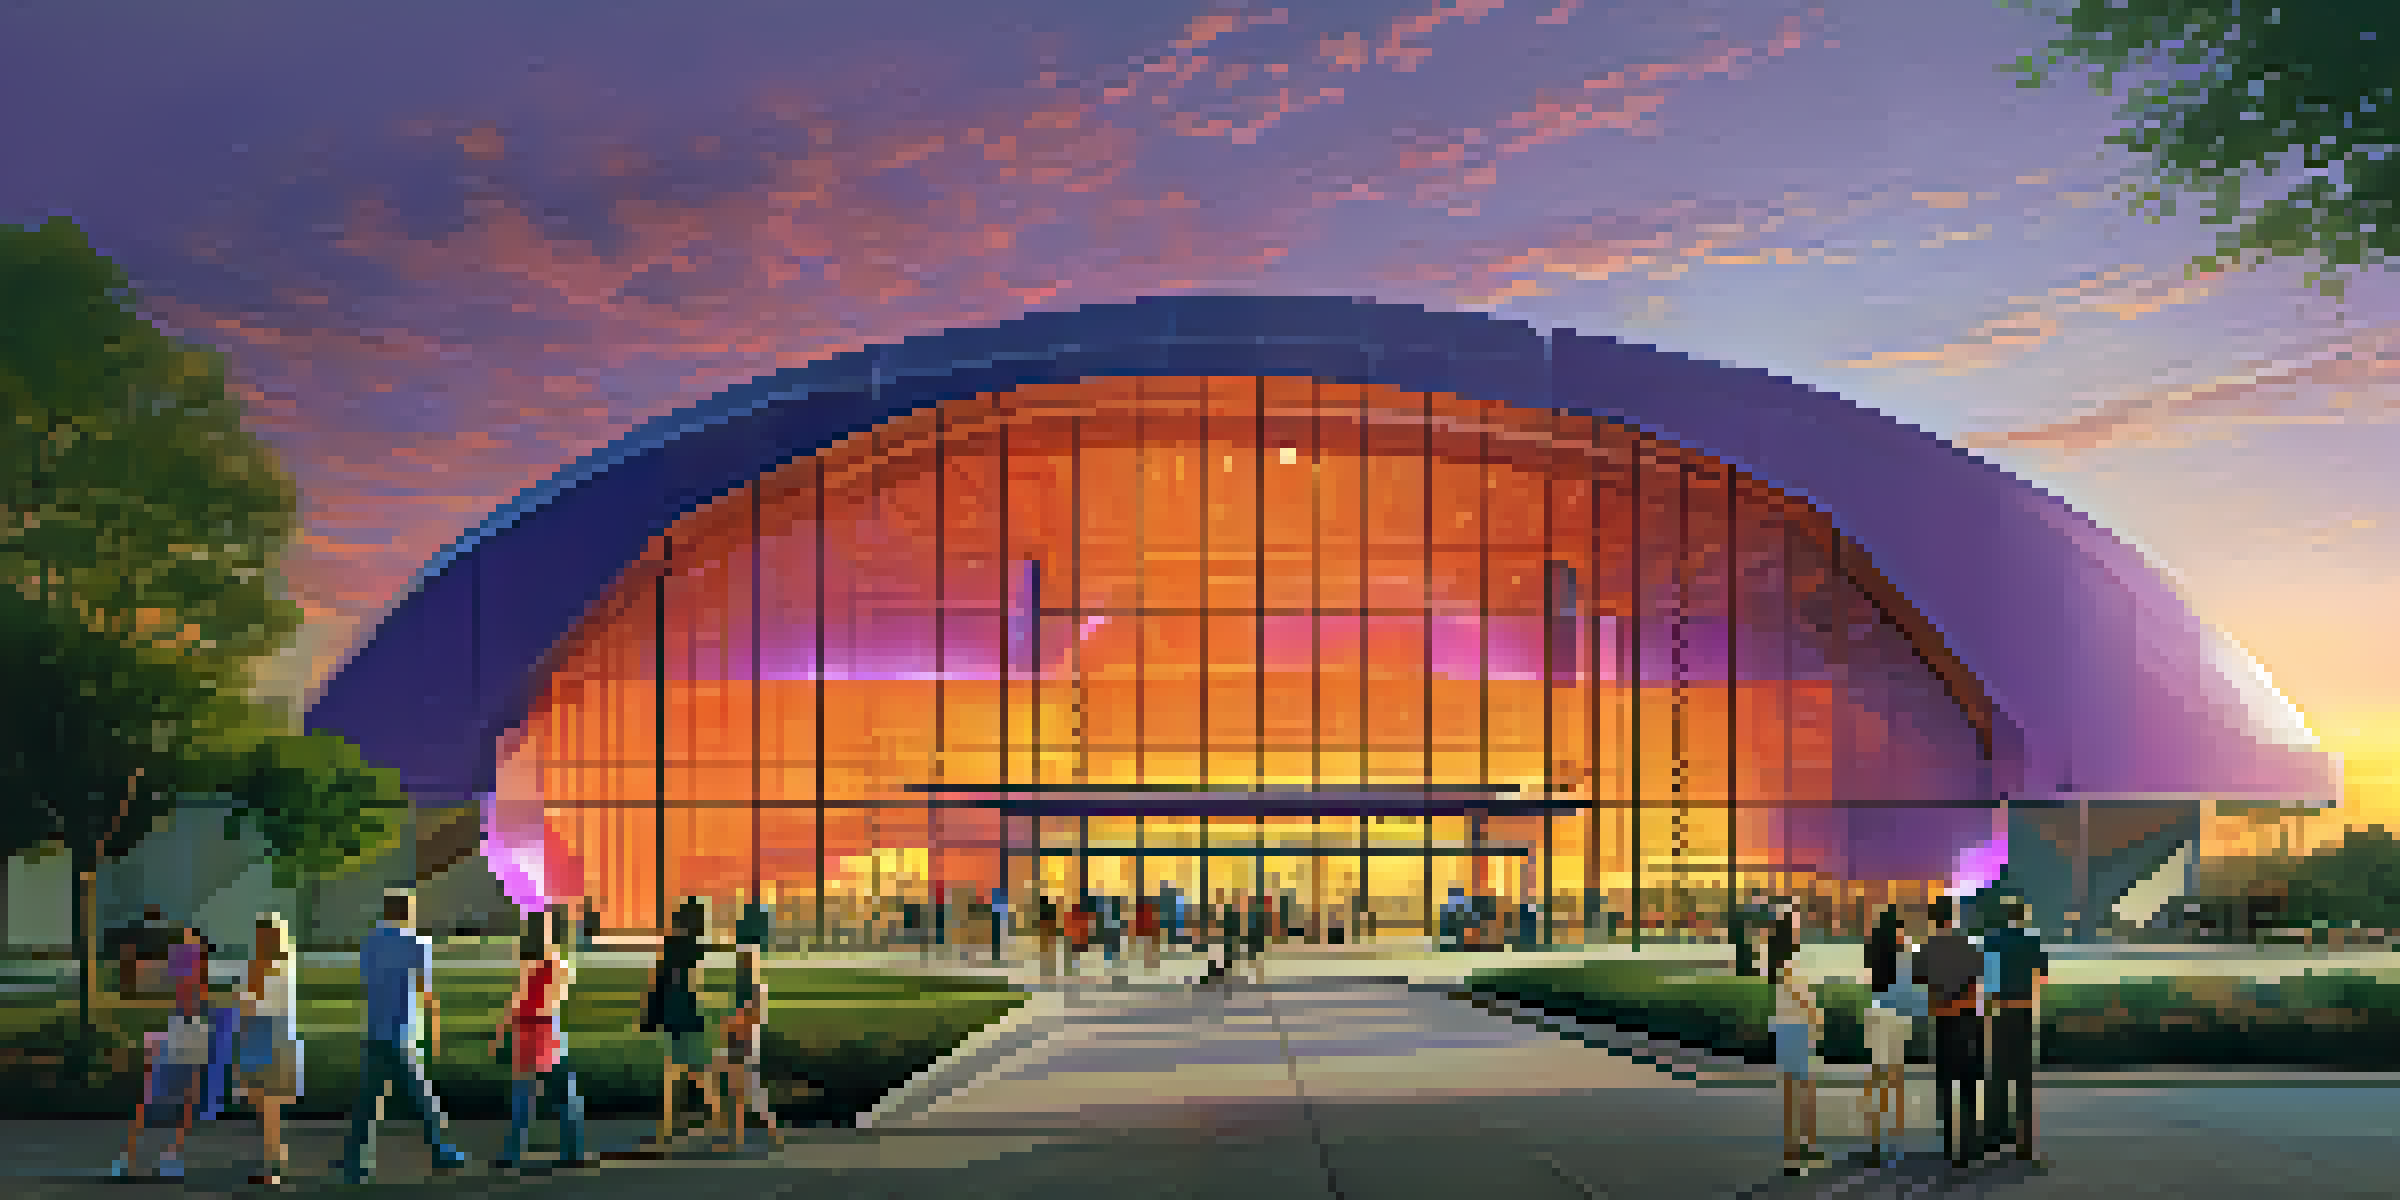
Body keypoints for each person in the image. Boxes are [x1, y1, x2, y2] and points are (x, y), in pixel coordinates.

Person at [338, 889, 470, 1184]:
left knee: (369, 1102)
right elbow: (425, 991)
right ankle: (442, 1152)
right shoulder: (416, 943)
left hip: (374, 1030)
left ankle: (356, 1162)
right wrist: (434, 1031)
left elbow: (365, 983)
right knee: (423, 1098)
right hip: (403, 1033)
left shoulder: (369, 941)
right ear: (407, 911)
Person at [111, 924, 214, 1179]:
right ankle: (135, 1156)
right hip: (184, 1028)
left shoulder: (192, 963)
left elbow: (186, 988)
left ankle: (159, 1156)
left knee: (182, 1097)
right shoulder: (186, 962)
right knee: (162, 1096)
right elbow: (176, 984)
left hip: (190, 1028)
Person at [493, 909, 590, 1170]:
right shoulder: (556, 961)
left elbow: (516, 1001)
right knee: (564, 1095)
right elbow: (559, 995)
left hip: (524, 1031)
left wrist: (502, 1032)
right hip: (548, 1029)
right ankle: (573, 1151)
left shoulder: (527, 962)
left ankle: (513, 1153)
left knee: (523, 1097)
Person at [642, 896, 722, 1145]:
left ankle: (669, 1129)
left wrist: (650, 1018)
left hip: (677, 1017)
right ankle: (704, 1125)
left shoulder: (677, 945)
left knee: (680, 1073)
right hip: (690, 1017)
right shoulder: (698, 947)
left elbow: (660, 981)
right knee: (692, 1073)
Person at [232, 913, 305, 1185]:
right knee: (271, 1107)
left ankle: (271, 1167)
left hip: (262, 1039)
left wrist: (239, 997)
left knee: (266, 1108)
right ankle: (276, 1159)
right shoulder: (288, 963)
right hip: (283, 1040)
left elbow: (247, 1007)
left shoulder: (258, 966)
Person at [1916, 895, 1983, 1169]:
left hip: (1942, 1024)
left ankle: (1947, 1144)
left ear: (1932, 918)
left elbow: (1922, 986)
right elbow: (1977, 987)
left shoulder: (1924, 950)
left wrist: (1941, 1006)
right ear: (1953, 916)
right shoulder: (1969, 946)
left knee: (1944, 1084)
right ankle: (1967, 1146)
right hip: (1967, 1023)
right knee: (1968, 1085)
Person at [1982, 899, 2050, 1167]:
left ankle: (1994, 1138)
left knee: (1997, 1074)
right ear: (2024, 916)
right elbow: (2042, 978)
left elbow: (1986, 980)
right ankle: (2024, 1142)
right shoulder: (2032, 941)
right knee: (2023, 1078)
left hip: (1999, 1013)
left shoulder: (1992, 941)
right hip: (2023, 1012)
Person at [709, 931, 789, 1151]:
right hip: (739, 1046)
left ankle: (748, 1138)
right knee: (743, 1095)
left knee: (745, 1097)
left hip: (744, 1048)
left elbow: (749, 1017)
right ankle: (749, 1137)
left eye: (744, 961)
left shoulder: (755, 989)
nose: (741, 966)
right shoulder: (747, 988)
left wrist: (731, 1022)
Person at [1862, 906, 1926, 1167]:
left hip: (1875, 1016)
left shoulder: (1874, 953)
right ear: (1897, 929)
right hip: (1897, 1019)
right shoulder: (1904, 956)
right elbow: (1911, 993)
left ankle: (1874, 1140)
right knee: (1896, 1080)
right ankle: (1895, 1140)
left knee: (1875, 1079)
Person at [1767, 917, 1826, 1174]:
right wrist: (1818, 1018)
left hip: (1785, 1028)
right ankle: (1806, 1146)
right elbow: (1803, 997)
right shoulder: (1791, 964)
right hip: (1798, 1030)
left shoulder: (1780, 963)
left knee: (1793, 1092)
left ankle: (1794, 1149)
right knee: (1806, 1090)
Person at [1134, 895, 1161, 971]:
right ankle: (1149, 965)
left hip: (1149, 930)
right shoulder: (1141, 907)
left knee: (1150, 948)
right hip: (1145, 931)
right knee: (1148, 948)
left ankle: (1150, 964)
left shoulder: (1151, 906)